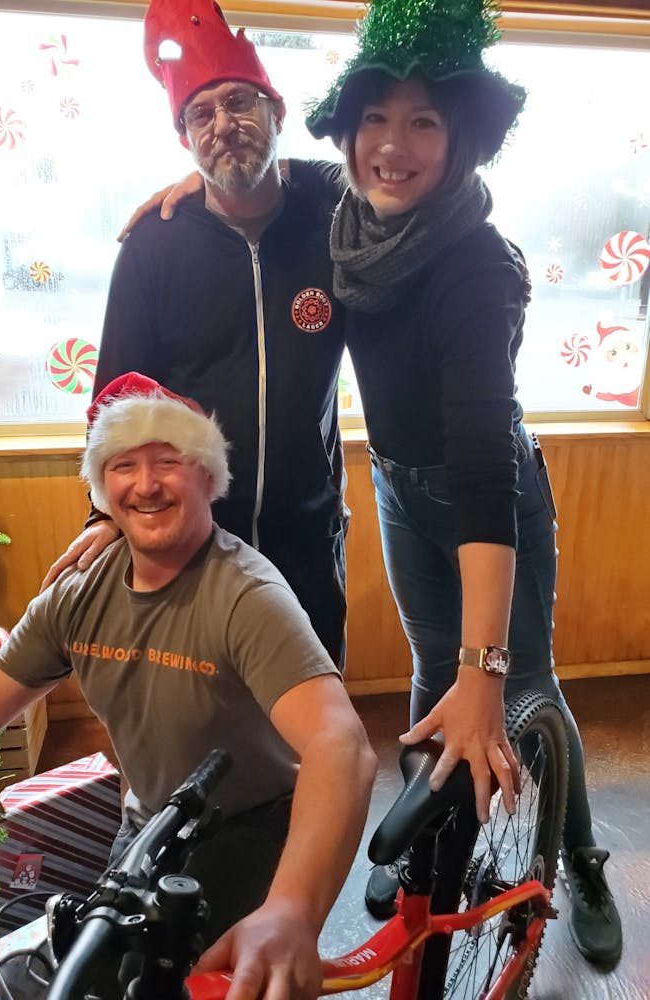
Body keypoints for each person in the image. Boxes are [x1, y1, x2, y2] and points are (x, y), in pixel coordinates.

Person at [300, 0, 622, 968]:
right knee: (430, 670)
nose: (393, 146)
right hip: (397, 485)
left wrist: (485, 675)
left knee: (521, 684)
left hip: (491, 496)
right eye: (377, 119)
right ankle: (424, 829)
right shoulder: (343, 216)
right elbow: (266, 184)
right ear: (350, 127)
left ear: (462, 140)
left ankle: (581, 857)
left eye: (425, 122)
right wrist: (180, 195)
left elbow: (483, 464)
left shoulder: (478, 266)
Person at [0, 372, 376, 1000]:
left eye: (168, 462)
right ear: (103, 488)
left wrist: (292, 909)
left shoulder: (248, 596)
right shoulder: (77, 595)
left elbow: (342, 746)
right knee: (94, 974)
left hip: (256, 822)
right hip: (149, 818)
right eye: (123, 464)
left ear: (208, 477)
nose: (146, 484)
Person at [41, 0, 349, 669]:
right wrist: (104, 514)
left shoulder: (333, 218)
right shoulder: (154, 244)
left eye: (240, 102)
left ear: (277, 114)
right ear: (183, 138)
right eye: (200, 115)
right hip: (195, 540)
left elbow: (370, 181)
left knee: (312, 724)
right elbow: (114, 402)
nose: (223, 124)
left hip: (309, 532)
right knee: (208, 727)